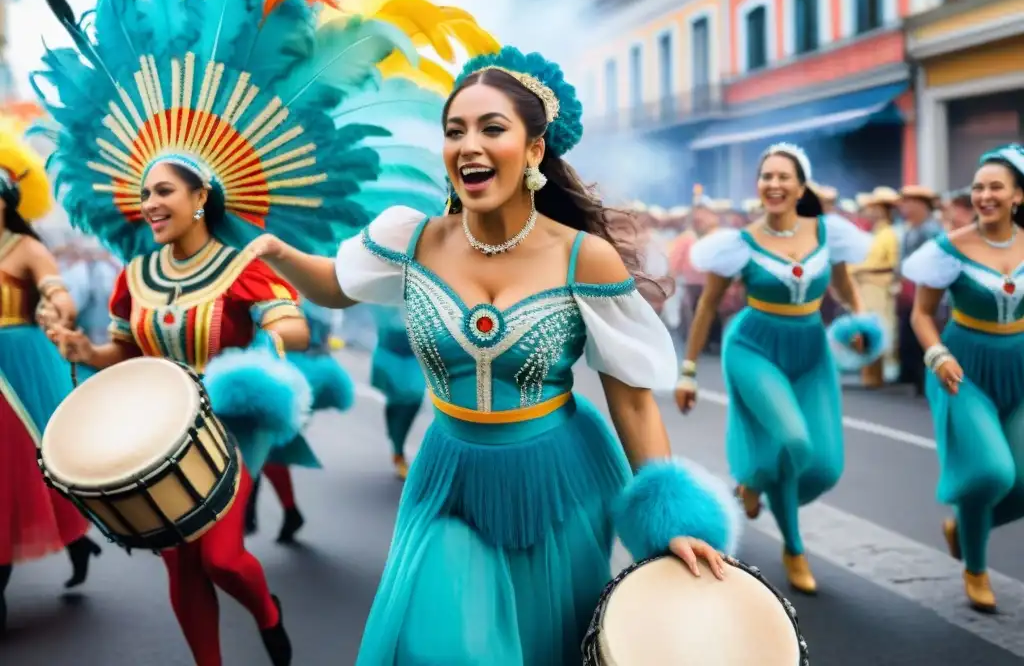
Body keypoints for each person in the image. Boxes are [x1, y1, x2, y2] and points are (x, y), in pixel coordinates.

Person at [33, 0, 467, 663]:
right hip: (151, 432)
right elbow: (124, 353)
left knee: (226, 559)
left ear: (201, 196)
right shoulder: (135, 275)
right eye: (143, 195)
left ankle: (267, 616)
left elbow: (288, 325)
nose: (150, 206)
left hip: (228, 419)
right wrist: (82, 346)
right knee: (181, 563)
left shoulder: (243, 266)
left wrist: (275, 343)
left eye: (164, 192)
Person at [248, 46, 740, 665]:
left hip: (559, 484)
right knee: (446, 647)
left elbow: (634, 407)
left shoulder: (584, 258)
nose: (468, 145)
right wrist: (276, 252)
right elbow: (335, 283)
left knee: (545, 648)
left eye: (491, 128)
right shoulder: (411, 237)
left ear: (534, 150)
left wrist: (673, 519)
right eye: (455, 131)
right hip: (449, 478)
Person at [676, 142, 880, 595]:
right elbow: (707, 306)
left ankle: (756, 482)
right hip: (753, 347)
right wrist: (688, 370)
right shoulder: (737, 243)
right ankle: (794, 546)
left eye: (783, 176)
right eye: (766, 176)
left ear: (801, 186)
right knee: (793, 441)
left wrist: (860, 321)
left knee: (823, 465)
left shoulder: (829, 233)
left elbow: (845, 287)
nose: (773, 184)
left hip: (811, 352)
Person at [902, 144, 1024, 613]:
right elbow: (921, 314)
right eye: (978, 186)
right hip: (962, 367)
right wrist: (936, 354)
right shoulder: (947, 248)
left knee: (1022, 482)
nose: (984, 195)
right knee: (990, 471)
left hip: (1018, 365)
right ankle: (975, 567)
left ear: (1018, 196)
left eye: (996, 187)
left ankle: (966, 525)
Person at [0, 119, 101, 635]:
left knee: (24, 469)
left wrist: (58, 306)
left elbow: (56, 290)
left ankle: (72, 537)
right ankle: (77, 537)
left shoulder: (26, 247)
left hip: (18, 366)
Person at [249, 300, 356, 541]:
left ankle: (259, 512)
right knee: (268, 444)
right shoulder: (311, 288)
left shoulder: (290, 288)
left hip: (291, 371)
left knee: (263, 442)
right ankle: (283, 511)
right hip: (311, 369)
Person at [849, 186, 901, 388]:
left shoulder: (888, 233)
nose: (868, 212)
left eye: (872, 207)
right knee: (868, 326)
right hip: (867, 286)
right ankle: (870, 372)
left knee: (881, 326)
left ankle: (883, 370)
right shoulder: (877, 232)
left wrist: (858, 268)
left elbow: (892, 263)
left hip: (878, 286)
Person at [368, 303, 426, 480]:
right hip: (390, 350)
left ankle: (398, 440)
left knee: (415, 397)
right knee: (395, 400)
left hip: (415, 355)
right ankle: (398, 448)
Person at [896, 185, 943, 394]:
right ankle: (913, 376)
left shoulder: (932, 230)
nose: (905, 207)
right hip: (910, 287)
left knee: (925, 332)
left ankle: (926, 380)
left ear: (921, 205)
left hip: (927, 288)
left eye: (909, 202)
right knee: (908, 334)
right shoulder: (910, 229)